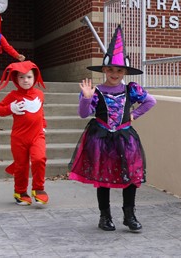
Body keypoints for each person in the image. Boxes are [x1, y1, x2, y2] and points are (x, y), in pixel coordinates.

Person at [68, 25, 156, 231]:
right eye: (110, 70)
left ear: (124, 71)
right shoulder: (96, 91)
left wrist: (133, 115)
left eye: (119, 70)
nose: (114, 74)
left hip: (126, 138)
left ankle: (129, 214)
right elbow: (83, 113)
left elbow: (150, 101)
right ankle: (105, 216)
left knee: (131, 177)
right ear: (104, 70)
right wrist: (86, 99)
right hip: (101, 138)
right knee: (104, 177)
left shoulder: (130, 89)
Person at [0, 60, 49, 206]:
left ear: (35, 77)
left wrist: (43, 125)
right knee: (21, 166)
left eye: (29, 77)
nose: (26, 80)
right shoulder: (13, 95)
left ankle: (38, 189)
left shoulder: (39, 94)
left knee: (39, 159)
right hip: (19, 138)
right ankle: (20, 192)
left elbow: (40, 113)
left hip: (37, 135)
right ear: (16, 79)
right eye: (22, 77)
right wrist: (10, 108)